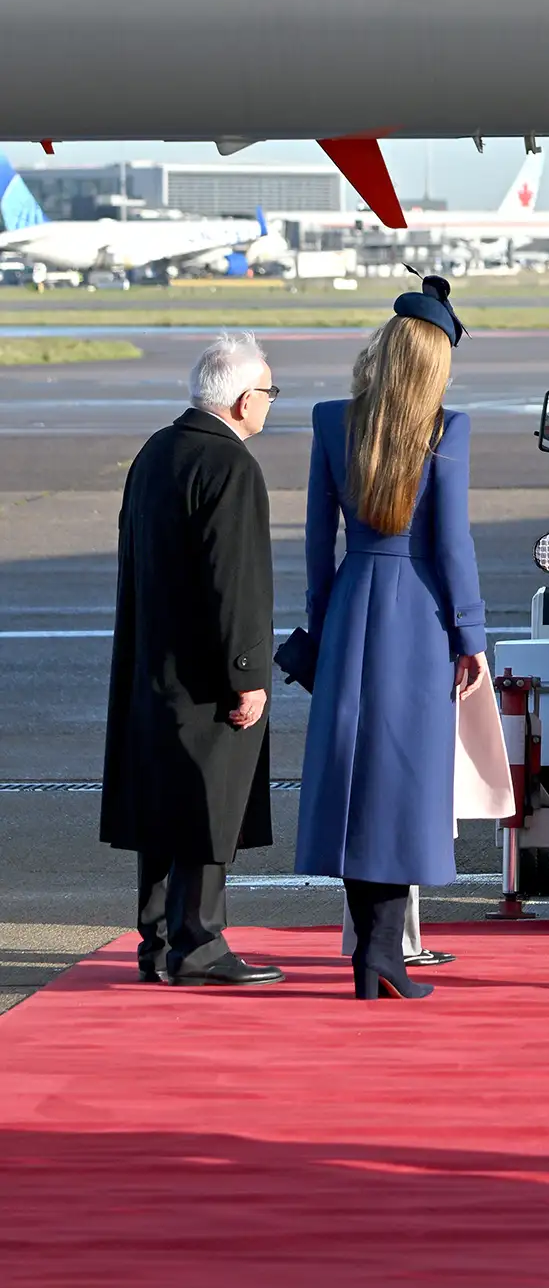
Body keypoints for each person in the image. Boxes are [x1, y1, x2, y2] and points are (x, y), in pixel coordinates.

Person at [294, 278, 487, 1001]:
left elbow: (318, 542)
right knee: (403, 786)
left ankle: (370, 958)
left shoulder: (330, 420)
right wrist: (471, 633)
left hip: (352, 605)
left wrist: (321, 623)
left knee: (351, 782)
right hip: (418, 614)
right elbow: (453, 545)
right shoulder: (445, 428)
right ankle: (382, 957)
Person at [100, 333, 282, 988]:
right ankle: (199, 941)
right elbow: (236, 582)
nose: (269, 404)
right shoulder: (230, 466)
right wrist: (247, 675)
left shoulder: (156, 452)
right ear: (239, 401)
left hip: (154, 664)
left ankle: (158, 941)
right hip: (209, 671)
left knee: (162, 807)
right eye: (267, 392)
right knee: (208, 803)